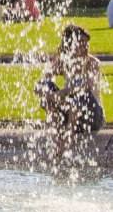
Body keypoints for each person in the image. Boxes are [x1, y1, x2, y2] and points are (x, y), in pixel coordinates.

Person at [36, 24, 105, 159]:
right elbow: (39, 86)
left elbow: (87, 86)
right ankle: (56, 137)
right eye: (81, 42)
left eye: (86, 42)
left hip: (92, 117)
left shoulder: (93, 63)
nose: (86, 46)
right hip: (72, 113)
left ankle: (68, 137)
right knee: (48, 86)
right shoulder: (63, 62)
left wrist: (62, 93)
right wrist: (48, 94)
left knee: (81, 93)